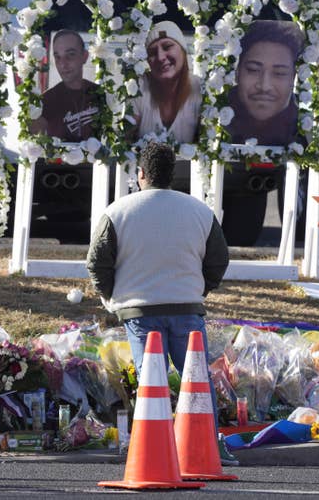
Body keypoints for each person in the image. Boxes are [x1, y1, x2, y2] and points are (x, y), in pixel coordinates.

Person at [85, 142, 236, 465]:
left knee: (150, 380)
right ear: (173, 175)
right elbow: (218, 260)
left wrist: (111, 297)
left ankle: (153, 448)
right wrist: (200, 289)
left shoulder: (118, 211)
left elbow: (97, 262)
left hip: (139, 311)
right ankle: (207, 444)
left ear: (140, 174)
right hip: (187, 308)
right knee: (196, 380)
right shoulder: (198, 211)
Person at [227, 20, 304, 146]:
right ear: (237, 73)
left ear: (293, 78)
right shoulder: (212, 120)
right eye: (253, 70)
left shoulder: (308, 130)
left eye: (279, 73)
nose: (264, 86)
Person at [133, 21, 201, 143]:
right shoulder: (139, 87)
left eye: (167, 47)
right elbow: (125, 141)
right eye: (152, 53)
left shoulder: (200, 88)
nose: (160, 57)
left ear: (183, 50)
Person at [30, 29, 101, 141]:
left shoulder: (100, 93)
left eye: (70, 55)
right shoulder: (46, 100)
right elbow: (33, 143)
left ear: (85, 56)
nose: (63, 64)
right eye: (58, 57)